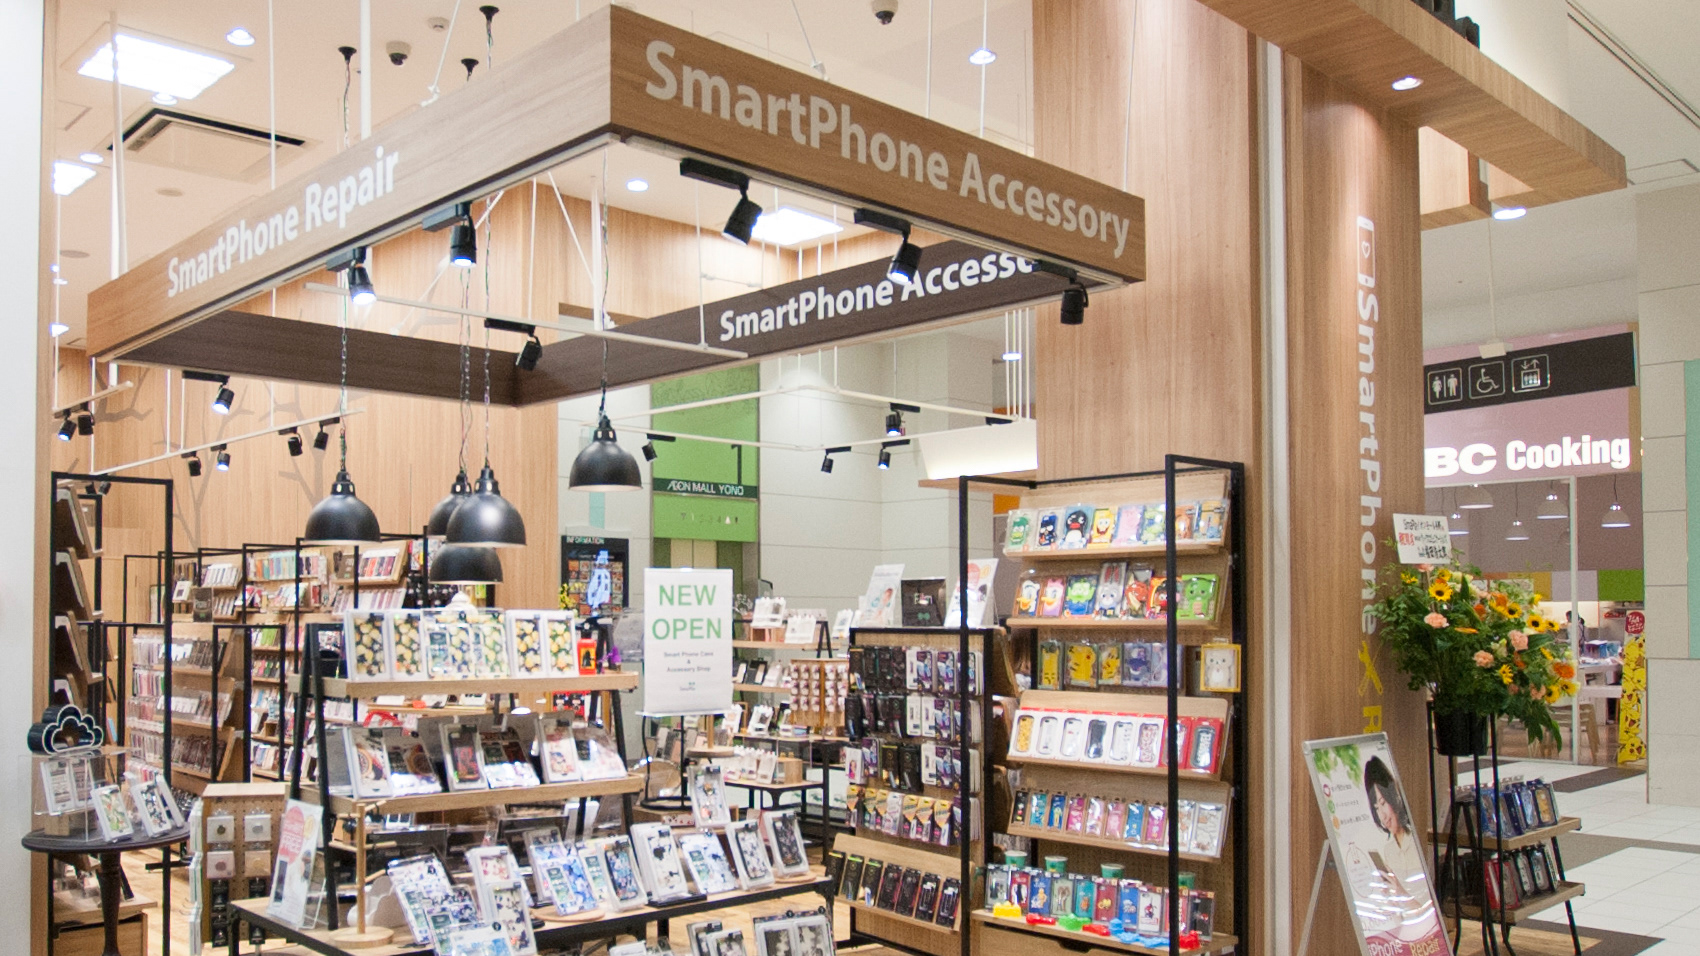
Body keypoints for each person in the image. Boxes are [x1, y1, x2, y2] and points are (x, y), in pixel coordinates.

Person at [1363, 756, 1430, 909]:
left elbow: (1427, 912)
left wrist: (1401, 894)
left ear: (1393, 796)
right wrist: (1389, 898)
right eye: (1376, 808)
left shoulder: (1415, 842)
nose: (1382, 815)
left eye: (1383, 803)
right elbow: (1399, 910)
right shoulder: (1389, 851)